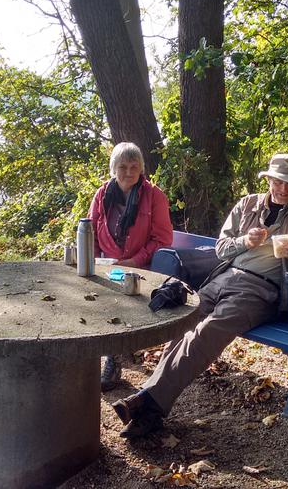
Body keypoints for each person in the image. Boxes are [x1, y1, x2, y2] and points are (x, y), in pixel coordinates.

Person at [111, 153, 288, 437]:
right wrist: (245, 241)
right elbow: (221, 248)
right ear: (268, 179)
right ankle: (150, 406)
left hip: (263, 289)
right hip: (224, 276)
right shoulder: (247, 204)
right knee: (183, 325)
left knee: (207, 331)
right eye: (278, 182)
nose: (284, 189)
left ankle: (149, 404)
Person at [88, 142, 173, 391]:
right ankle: (103, 353)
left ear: (141, 168)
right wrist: (93, 263)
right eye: (122, 166)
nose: (128, 172)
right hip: (107, 263)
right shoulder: (103, 194)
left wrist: (133, 262)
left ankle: (112, 361)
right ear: (113, 168)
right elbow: (91, 231)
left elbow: (163, 239)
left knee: (115, 294)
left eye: (134, 166)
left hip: (143, 267)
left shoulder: (154, 195)